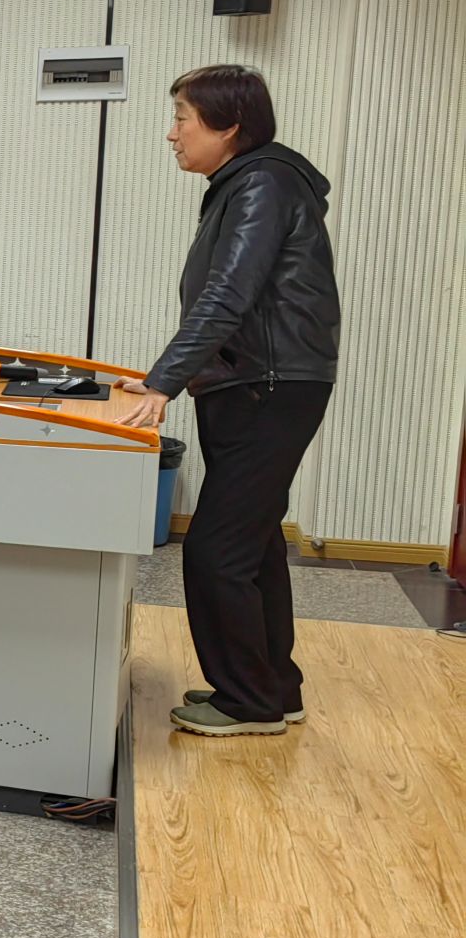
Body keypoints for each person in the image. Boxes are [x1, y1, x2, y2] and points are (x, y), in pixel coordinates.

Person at [116, 66, 339, 739]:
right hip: (262, 382)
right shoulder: (249, 182)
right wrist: (167, 374)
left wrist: (164, 380)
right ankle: (273, 687)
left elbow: (227, 295)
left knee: (216, 550)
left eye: (182, 117)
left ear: (229, 125)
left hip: (266, 385)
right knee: (253, 544)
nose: (172, 133)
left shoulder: (262, 183)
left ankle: (248, 702)